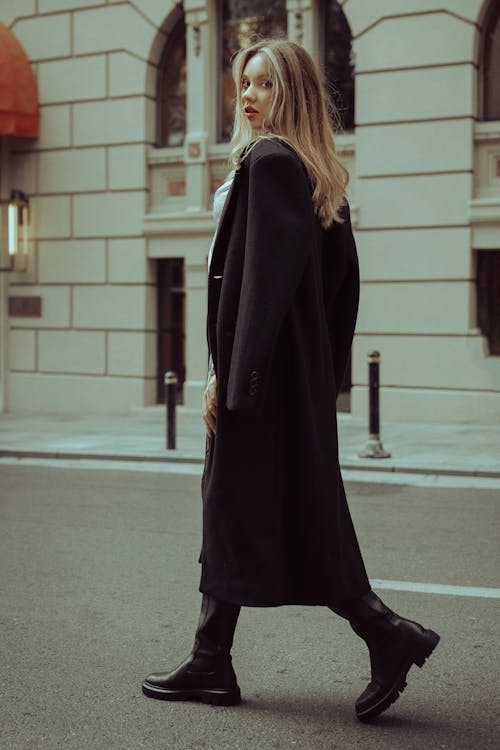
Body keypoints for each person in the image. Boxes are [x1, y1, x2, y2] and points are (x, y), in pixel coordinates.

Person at [142, 38, 440, 723]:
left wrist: (229, 380)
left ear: (292, 95)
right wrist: (316, 378)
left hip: (262, 388)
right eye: (243, 83)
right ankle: (213, 659)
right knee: (267, 517)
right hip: (286, 385)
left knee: (249, 513)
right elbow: (341, 289)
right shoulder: (313, 171)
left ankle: (381, 633)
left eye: (264, 85)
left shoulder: (272, 162)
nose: (246, 96)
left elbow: (261, 292)